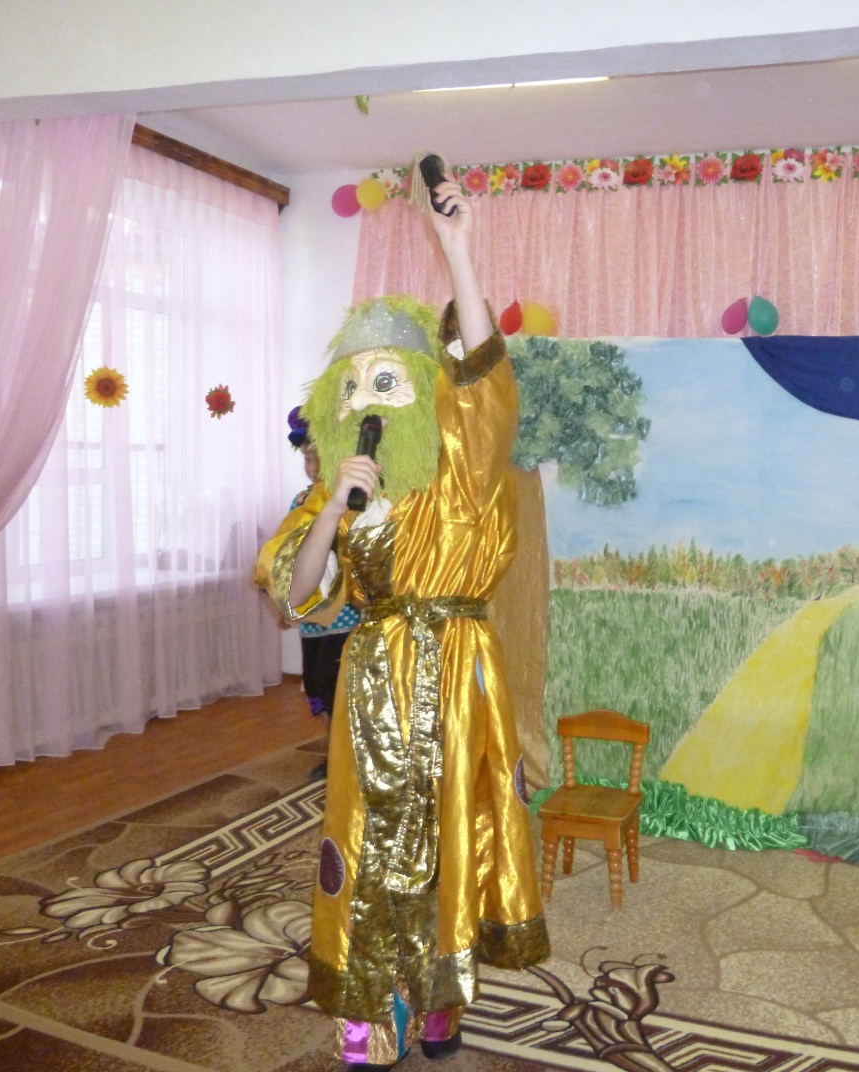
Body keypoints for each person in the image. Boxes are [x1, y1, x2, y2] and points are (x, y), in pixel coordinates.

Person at [254, 169, 548, 1070]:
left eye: (390, 380)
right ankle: (368, 1001)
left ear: (425, 391)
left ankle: (440, 993)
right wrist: (334, 510)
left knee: (455, 829)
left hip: (459, 667)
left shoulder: (465, 469)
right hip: (376, 670)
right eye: (356, 387)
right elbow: (297, 593)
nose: (372, 399)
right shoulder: (336, 491)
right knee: (369, 834)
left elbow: (485, 376)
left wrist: (458, 248)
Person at [286, 410, 359, 782]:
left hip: (345, 616)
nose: (312, 467)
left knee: (337, 688)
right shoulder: (301, 500)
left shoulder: (352, 501)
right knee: (315, 685)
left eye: (317, 458)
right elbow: (286, 553)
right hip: (312, 618)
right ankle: (333, 751)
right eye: (306, 459)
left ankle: (347, 757)